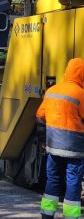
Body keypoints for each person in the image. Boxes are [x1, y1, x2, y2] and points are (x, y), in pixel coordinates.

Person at [36, 58, 84, 219]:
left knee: (53, 180)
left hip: (53, 147)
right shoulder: (80, 94)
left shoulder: (51, 91)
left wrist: (44, 139)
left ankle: (47, 215)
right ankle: (71, 217)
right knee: (73, 182)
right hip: (75, 149)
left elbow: (40, 117)